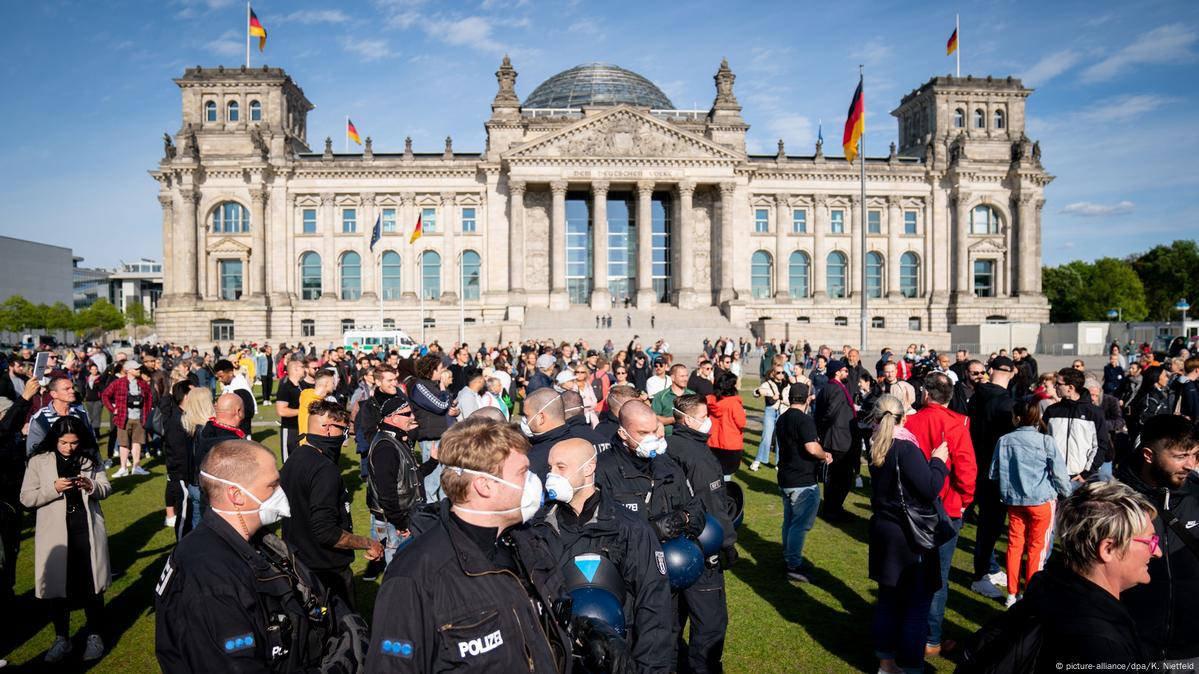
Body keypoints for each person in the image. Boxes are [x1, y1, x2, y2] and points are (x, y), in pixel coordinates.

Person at [365, 418, 574, 673]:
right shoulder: (414, 576)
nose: (533, 481)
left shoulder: (526, 543)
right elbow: (392, 664)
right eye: (523, 473)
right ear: (484, 485)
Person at [155, 439, 368, 673]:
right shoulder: (211, 577)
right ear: (236, 495)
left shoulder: (256, 540)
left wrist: (340, 617)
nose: (281, 492)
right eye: (273, 485)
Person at [532, 437, 671, 674]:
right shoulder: (539, 525)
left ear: (589, 468)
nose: (551, 475)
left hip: (614, 657)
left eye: (561, 467)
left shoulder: (628, 527)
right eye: (550, 468)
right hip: (556, 657)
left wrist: (649, 668)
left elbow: (654, 601)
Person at [1023, 480, 1157, 669]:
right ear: (1108, 549)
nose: (1157, 551)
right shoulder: (1101, 650)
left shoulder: (1050, 590)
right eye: (1150, 540)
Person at [866, 395, 950, 674]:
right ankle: (910, 666)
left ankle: (886, 662)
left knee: (888, 601)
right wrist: (938, 462)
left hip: (885, 531)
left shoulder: (876, 443)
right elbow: (929, 488)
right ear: (903, 417)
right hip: (907, 534)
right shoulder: (904, 447)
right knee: (916, 606)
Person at [20, 415, 112, 663]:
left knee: (92, 584)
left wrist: (90, 484)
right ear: (54, 440)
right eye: (63, 442)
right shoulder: (38, 461)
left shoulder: (89, 459)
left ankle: (94, 635)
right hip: (54, 533)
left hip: (86, 528)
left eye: (73, 442)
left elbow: (106, 488)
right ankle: (62, 639)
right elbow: (27, 498)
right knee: (58, 587)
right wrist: (54, 488)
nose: (69, 447)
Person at [281, 400, 383, 609]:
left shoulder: (295, 457)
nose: (346, 439)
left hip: (299, 561)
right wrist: (368, 543)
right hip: (326, 572)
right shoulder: (323, 469)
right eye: (344, 431)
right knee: (345, 635)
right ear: (328, 429)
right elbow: (326, 532)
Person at [903, 371, 976, 657]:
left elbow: (966, 471)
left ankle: (921, 634)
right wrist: (964, 500)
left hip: (918, 506)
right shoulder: (955, 424)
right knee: (937, 576)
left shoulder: (913, 422)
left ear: (925, 394)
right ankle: (929, 637)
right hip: (944, 508)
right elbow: (967, 470)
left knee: (916, 572)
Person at [1117, 415, 1199, 664]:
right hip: (1132, 647)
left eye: (1195, 455)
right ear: (1148, 455)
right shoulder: (1116, 501)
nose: (1190, 465)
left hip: (1193, 650)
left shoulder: (1197, 496)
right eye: (1180, 456)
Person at [666, 394, 737, 673]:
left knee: (672, 620)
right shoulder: (699, 457)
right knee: (710, 623)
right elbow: (715, 506)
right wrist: (728, 544)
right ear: (687, 419)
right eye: (704, 416)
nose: (708, 421)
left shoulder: (666, 446)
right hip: (701, 549)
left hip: (670, 546)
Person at [989, 399, 1072, 606]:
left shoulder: (1005, 440)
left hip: (1015, 501)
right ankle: (1030, 593)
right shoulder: (1046, 441)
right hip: (1042, 501)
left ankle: (1011, 593)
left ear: (1017, 418)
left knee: (1014, 546)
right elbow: (1061, 475)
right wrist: (1066, 493)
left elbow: (993, 472)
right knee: (1037, 548)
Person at [964, 356, 1017, 597]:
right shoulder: (1003, 402)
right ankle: (980, 575)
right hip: (993, 470)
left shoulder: (977, 395)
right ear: (1012, 372)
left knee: (988, 524)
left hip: (975, 463)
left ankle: (990, 568)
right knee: (990, 525)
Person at [774, 382, 832, 582]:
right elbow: (811, 448)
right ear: (807, 398)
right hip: (802, 481)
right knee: (799, 525)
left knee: (790, 522)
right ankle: (793, 565)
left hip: (786, 477)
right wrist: (825, 455)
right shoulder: (804, 420)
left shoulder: (782, 418)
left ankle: (789, 558)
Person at [366, 393, 423, 566]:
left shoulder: (396, 438)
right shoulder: (386, 447)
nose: (412, 417)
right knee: (397, 566)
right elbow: (387, 494)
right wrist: (401, 523)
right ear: (392, 418)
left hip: (401, 516)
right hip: (392, 520)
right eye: (407, 414)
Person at [190, 393, 247, 526]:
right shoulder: (234, 443)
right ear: (238, 412)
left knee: (199, 532)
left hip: (200, 489)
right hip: (223, 501)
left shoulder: (205, 430)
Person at [1045, 367, 1109, 481]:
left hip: (1081, 479)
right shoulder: (1051, 411)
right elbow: (1043, 442)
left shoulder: (1094, 413)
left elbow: (1100, 446)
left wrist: (1087, 474)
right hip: (1052, 477)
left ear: (1070, 388)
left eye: (1058, 384)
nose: (1055, 387)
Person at [816, 360, 858, 520]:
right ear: (837, 372)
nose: (847, 373)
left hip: (836, 437)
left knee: (838, 477)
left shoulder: (830, 387)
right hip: (838, 439)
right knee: (841, 478)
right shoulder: (836, 389)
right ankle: (832, 509)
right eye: (844, 371)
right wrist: (823, 430)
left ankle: (833, 508)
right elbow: (829, 413)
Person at [99, 361, 153, 477]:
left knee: (137, 442)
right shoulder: (118, 383)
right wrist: (113, 409)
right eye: (136, 369)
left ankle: (136, 467)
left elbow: (149, 398)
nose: (139, 370)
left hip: (139, 418)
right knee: (123, 444)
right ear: (129, 370)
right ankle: (123, 468)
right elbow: (105, 395)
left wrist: (147, 413)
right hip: (123, 418)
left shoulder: (143, 384)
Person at [26, 375, 95, 457]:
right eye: (67, 389)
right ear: (54, 394)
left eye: (72, 388)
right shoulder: (40, 418)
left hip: (81, 466)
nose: (72, 391)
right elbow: (33, 451)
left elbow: (91, 443)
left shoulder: (81, 413)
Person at [409, 354, 458, 462]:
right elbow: (440, 406)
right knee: (433, 477)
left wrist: (456, 411)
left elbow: (449, 405)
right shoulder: (420, 386)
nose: (443, 371)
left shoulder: (435, 385)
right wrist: (443, 390)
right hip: (432, 440)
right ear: (432, 370)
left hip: (444, 436)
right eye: (441, 368)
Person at [161, 380, 193, 532]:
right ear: (186, 396)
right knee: (184, 517)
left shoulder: (182, 414)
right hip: (182, 475)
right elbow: (178, 453)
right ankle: (178, 553)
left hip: (186, 474)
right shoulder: (176, 420)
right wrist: (184, 477)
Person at [706, 371, 747, 479]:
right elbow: (741, 423)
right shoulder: (734, 404)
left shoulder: (709, 401)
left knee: (713, 475)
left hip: (712, 442)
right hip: (730, 444)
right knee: (726, 477)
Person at [751, 365, 789, 471]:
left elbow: (789, 398)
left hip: (782, 411)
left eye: (783, 372)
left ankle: (779, 462)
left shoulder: (787, 384)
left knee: (780, 438)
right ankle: (757, 461)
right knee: (766, 437)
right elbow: (756, 392)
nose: (781, 374)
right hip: (770, 411)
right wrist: (759, 392)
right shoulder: (767, 383)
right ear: (773, 373)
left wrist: (783, 400)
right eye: (778, 372)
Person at [1127, 366, 1172, 441]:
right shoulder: (1151, 398)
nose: (1167, 378)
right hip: (1151, 439)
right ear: (1156, 377)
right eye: (1165, 375)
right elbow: (1144, 421)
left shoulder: (1159, 394)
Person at [274, 358, 306, 462]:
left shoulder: (302, 386)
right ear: (296, 369)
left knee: (301, 461)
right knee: (289, 462)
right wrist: (303, 411)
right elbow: (281, 411)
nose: (304, 369)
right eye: (302, 367)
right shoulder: (285, 387)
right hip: (290, 430)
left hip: (302, 428)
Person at [214, 359, 256, 436]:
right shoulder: (230, 386)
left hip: (241, 431)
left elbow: (248, 411)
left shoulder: (239, 388)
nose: (220, 380)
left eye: (221, 376)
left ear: (230, 373)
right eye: (218, 378)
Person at [652, 364, 693, 436]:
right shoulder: (660, 396)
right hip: (667, 438)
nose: (685, 379)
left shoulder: (692, 395)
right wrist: (674, 419)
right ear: (673, 378)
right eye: (682, 376)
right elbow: (654, 419)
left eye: (687, 376)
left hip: (688, 437)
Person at [298, 369, 337, 443]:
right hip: (313, 445)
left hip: (308, 444)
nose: (334, 386)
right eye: (333, 383)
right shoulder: (315, 404)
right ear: (326, 383)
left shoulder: (306, 395)